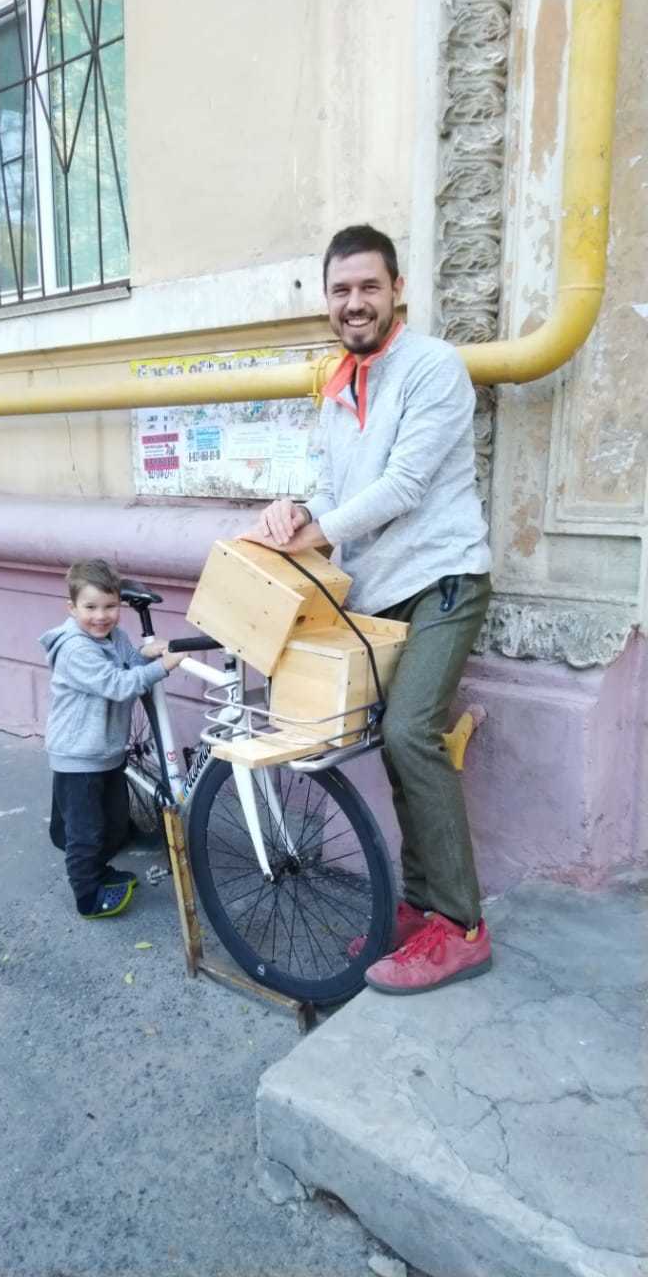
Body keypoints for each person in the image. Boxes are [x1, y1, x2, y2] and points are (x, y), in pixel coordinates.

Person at [241, 224, 492, 994]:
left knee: (413, 731)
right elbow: (331, 486)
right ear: (328, 300)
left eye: (369, 287)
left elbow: (405, 486)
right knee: (396, 743)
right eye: (342, 290)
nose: (355, 302)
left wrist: (318, 531)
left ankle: (465, 927)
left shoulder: (434, 367)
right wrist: (291, 510)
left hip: (445, 580)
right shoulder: (340, 384)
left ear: (398, 290)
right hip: (378, 597)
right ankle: (421, 908)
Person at [40, 558, 184, 919]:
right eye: (90, 608)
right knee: (85, 833)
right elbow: (118, 684)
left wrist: (144, 656)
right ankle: (87, 897)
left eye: (110, 607)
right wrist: (161, 667)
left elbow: (128, 662)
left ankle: (100, 871)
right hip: (78, 755)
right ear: (71, 608)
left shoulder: (113, 636)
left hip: (105, 750)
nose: (101, 616)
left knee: (104, 822)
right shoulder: (75, 649)